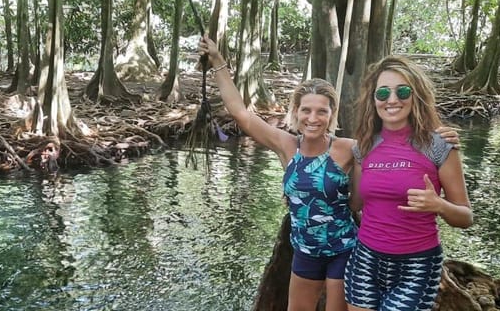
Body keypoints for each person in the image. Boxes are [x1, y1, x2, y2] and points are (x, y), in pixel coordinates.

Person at [198, 37, 460, 311]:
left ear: (332, 114)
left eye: (321, 111)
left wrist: (436, 137)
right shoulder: (286, 146)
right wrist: (218, 61)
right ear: (296, 113)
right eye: (306, 110)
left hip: (344, 249)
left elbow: (393, 151)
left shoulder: (349, 149)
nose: (313, 118)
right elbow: (242, 114)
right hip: (304, 251)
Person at [344, 55, 473, 311]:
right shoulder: (364, 147)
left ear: (416, 95)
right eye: (383, 93)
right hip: (365, 259)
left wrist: (439, 205)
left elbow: (466, 217)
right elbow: (355, 203)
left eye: (402, 91)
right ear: (373, 100)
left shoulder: (439, 145)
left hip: (417, 264)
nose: (392, 100)